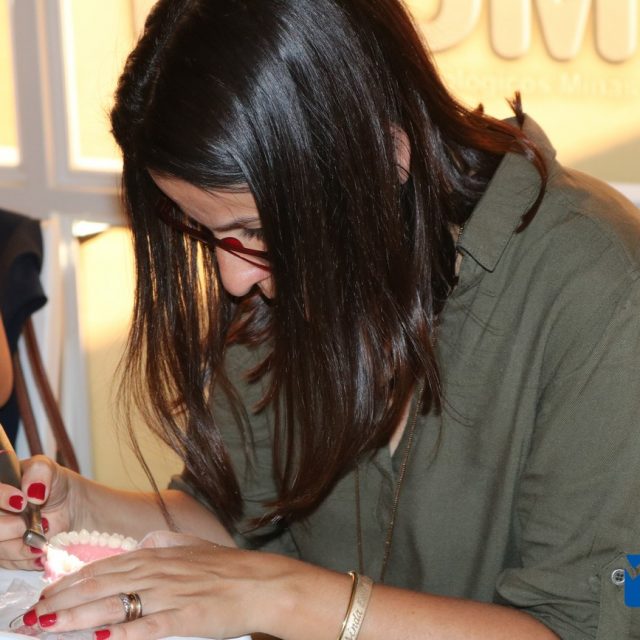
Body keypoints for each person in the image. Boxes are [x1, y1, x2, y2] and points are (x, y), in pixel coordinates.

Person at [1, 0, 639, 638]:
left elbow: (578, 630)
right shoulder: (280, 283)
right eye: (206, 232)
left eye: (255, 231)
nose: (233, 279)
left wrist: (279, 595)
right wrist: (81, 510)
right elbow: (235, 522)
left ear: (385, 158)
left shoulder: (597, 287)